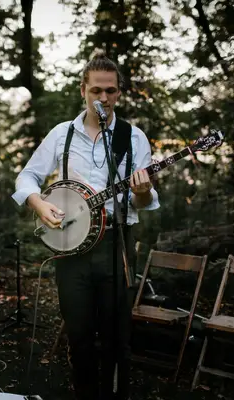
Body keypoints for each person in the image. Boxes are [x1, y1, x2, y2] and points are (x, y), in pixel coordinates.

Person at [12, 50, 160, 400]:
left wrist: (142, 191)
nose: (103, 98)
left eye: (110, 91)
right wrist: (39, 203)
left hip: (116, 245)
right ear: (83, 91)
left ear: (119, 93)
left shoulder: (132, 137)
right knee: (78, 335)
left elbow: (143, 203)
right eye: (96, 91)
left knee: (116, 337)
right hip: (70, 247)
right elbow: (27, 177)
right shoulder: (62, 135)